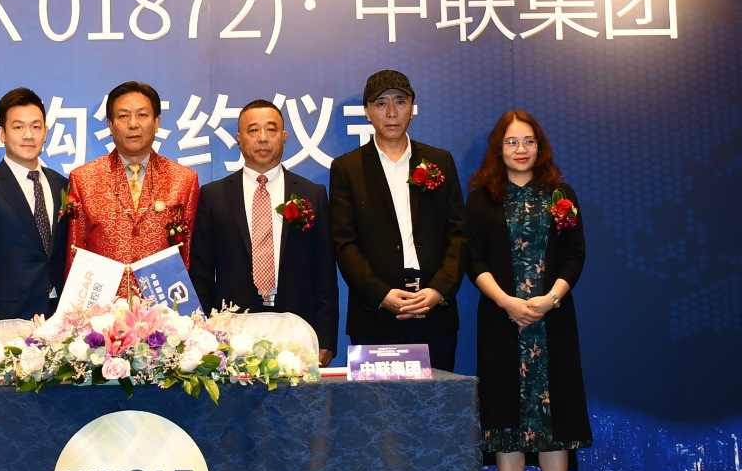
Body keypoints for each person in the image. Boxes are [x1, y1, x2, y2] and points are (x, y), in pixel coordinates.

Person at [465, 110, 591, 471]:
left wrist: (549, 299)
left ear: (540, 147)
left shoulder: (561, 196)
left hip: (552, 322)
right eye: (512, 142)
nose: (521, 150)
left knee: (554, 424)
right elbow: (473, 260)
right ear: (498, 149)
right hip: (501, 323)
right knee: (505, 425)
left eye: (529, 141)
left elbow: (575, 255)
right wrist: (508, 302)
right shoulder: (481, 199)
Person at [328, 70, 466, 371]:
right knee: (376, 402)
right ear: (367, 112)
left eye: (400, 102)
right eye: (381, 103)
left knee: (438, 398)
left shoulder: (439, 161)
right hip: (375, 313)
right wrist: (381, 295)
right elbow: (344, 244)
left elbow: (458, 233)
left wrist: (438, 291)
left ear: (412, 107)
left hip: (434, 312)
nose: (391, 112)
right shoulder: (347, 168)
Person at [189, 99, 339, 362]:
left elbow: (324, 272)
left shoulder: (311, 193)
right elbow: (202, 273)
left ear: (284, 137)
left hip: (297, 328)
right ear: (239, 138)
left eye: (271, 129)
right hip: (231, 330)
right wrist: (201, 334)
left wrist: (325, 338)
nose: (262, 138)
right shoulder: (214, 196)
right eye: (253, 130)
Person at [65, 81, 200, 288]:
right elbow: (75, 253)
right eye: (123, 116)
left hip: (164, 302)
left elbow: (188, 254)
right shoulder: (83, 179)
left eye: (142, 115)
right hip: (103, 304)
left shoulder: (184, 180)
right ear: (110, 125)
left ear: (157, 122)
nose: (133, 124)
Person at [0, 87, 70, 321]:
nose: (28, 135)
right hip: (6, 317)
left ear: (46, 132)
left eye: (36, 127)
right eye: (18, 127)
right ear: (2, 133)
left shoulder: (61, 184)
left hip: (59, 316)